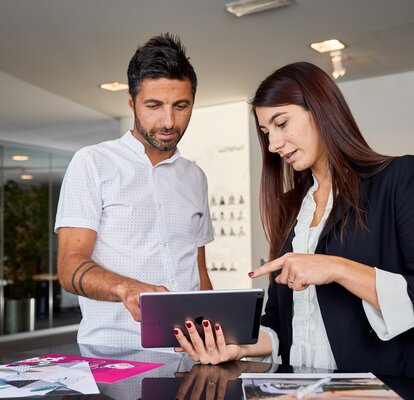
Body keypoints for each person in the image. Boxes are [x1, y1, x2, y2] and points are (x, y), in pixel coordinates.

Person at [174, 62, 414, 377]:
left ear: (321, 109)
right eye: (265, 132)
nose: (273, 144)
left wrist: (336, 269)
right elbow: (279, 318)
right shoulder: (291, 207)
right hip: (299, 388)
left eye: (282, 123)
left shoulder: (397, 179)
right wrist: (240, 346)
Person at [55, 33, 213, 348]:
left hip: (190, 353)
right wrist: (126, 288)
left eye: (181, 106)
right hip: (113, 351)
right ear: (131, 102)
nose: (169, 121)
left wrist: (214, 332)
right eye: (154, 106)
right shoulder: (92, 163)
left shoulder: (195, 176)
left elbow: (198, 272)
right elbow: (69, 265)